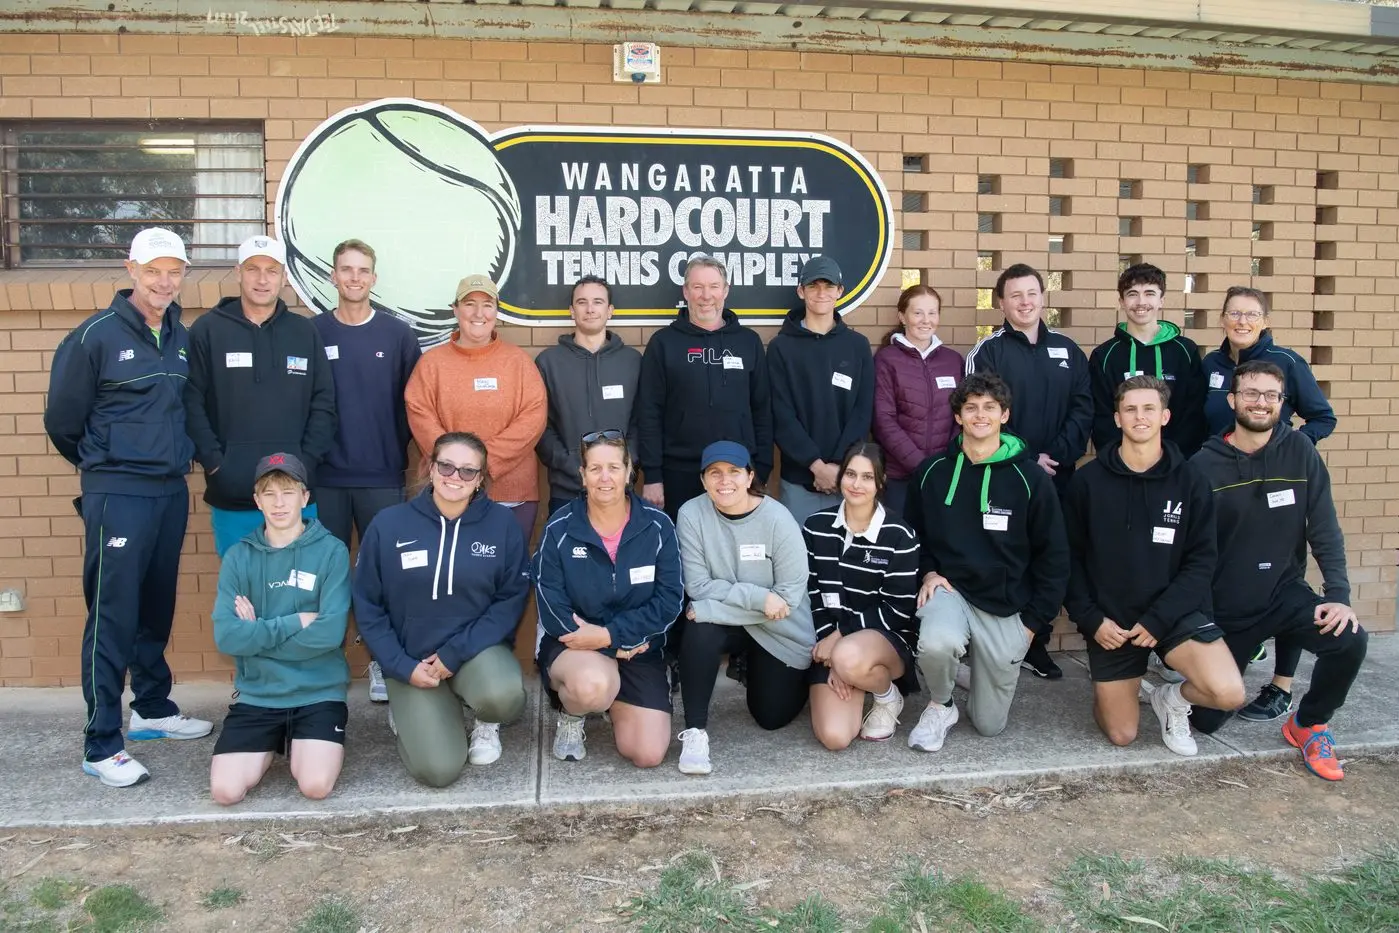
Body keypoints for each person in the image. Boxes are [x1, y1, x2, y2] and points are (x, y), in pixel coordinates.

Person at [44, 227, 213, 788]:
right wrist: (107, 463)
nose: (165, 281)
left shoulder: (179, 336)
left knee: (155, 604)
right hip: (118, 492)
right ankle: (101, 742)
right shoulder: (94, 336)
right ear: (131, 270)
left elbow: (187, 409)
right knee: (113, 613)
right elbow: (63, 422)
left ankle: (153, 709)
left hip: (168, 489)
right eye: (154, 270)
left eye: (175, 271)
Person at [1190, 361, 1367, 781]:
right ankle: (1201, 679)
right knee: (1207, 722)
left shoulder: (1300, 450)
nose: (1261, 402)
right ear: (1232, 400)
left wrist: (1338, 596)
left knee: (1349, 640)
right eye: (1251, 393)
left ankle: (1309, 724)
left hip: (1284, 594)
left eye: (1271, 395)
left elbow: (1324, 527)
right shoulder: (1203, 465)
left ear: (1282, 404)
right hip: (1227, 606)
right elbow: (1189, 550)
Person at [1064, 377, 1245, 757]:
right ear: (1116, 418)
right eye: (1130, 409)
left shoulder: (1192, 481)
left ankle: (1172, 698)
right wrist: (1092, 619)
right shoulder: (1087, 482)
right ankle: (1115, 689)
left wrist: (1160, 619)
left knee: (1228, 693)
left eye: (1149, 409)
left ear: (1165, 416)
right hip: (1112, 623)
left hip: (1174, 613)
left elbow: (1201, 561)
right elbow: (1069, 560)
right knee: (1122, 734)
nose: (1139, 417)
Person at [352, 432, 530, 787]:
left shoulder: (501, 525)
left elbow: (509, 601)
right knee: (439, 771)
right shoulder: (389, 525)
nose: (455, 477)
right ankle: (411, 711)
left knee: (504, 698)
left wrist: (453, 654)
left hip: (473, 654)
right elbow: (368, 605)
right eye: (446, 466)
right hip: (411, 661)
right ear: (430, 468)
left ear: (480, 480)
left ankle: (483, 720)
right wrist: (401, 666)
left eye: (468, 471)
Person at [903, 373, 1069, 753]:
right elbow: (914, 538)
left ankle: (973, 674)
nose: (980, 415)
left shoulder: (1030, 479)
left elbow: (1054, 556)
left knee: (988, 726)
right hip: (951, 590)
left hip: (1007, 603)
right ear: (958, 417)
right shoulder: (931, 473)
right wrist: (928, 572)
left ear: (1004, 415)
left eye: (989, 408)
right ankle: (941, 703)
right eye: (971, 408)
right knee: (936, 642)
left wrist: (1032, 624)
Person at [1201, 286, 1338, 720]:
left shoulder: (1288, 362)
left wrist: (1295, 445)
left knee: (1286, 581)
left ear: (1265, 320)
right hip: (1225, 480)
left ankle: (1281, 686)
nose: (1242, 321)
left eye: (1252, 314)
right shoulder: (1212, 365)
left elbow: (1323, 416)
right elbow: (1194, 419)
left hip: (1280, 487)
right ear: (1222, 318)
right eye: (1235, 313)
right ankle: (1234, 650)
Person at [964, 263, 1089, 680]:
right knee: (1010, 553)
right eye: (1015, 295)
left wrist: (1057, 454)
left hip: (1060, 475)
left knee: (1053, 555)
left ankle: (1037, 641)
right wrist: (1028, 456)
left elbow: (1082, 405)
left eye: (1032, 293)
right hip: (1009, 474)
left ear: (1042, 296)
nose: (1025, 302)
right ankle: (1000, 640)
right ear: (1001, 302)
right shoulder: (989, 351)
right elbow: (980, 414)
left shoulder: (1068, 350)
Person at [310, 238, 421, 705]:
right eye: (346, 270)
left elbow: (412, 406)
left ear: (374, 279)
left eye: (362, 271)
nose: (354, 278)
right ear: (332, 277)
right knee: (324, 577)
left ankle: (381, 661)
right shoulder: (312, 332)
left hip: (382, 476)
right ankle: (326, 664)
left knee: (381, 576)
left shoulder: (397, 336)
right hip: (325, 478)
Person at [533, 430, 683, 766]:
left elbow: (669, 600)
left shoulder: (658, 527)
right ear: (582, 475)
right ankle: (573, 714)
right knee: (592, 686)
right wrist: (608, 644)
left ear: (630, 472)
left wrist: (615, 635)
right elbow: (550, 603)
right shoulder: (560, 528)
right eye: (595, 469)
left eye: (614, 468)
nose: (605, 478)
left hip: (639, 648)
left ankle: (615, 698)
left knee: (648, 754)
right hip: (574, 644)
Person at [209, 454, 351, 804]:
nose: (279, 503)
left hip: (318, 693)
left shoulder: (332, 552)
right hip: (259, 695)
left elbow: (330, 634)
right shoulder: (239, 557)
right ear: (256, 501)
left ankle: (297, 744)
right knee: (225, 792)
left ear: (305, 498)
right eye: (268, 493)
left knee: (315, 786)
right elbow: (227, 637)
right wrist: (292, 622)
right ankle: (271, 743)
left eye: (288, 492)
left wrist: (255, 634)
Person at [185, 234, 336, 557]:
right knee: (241, 594)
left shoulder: (303, 331)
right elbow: (191, 402)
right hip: (233, 493)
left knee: (298, 593)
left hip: (295, 496)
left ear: (284, 277)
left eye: (272, 270)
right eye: (254, 269)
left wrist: (306, 463)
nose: (263, 279)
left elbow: (323, 402)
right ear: (238, 273)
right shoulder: (208, 330)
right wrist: (214, 463)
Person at [674, 441, 815, 775]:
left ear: (750, 476)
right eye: (715, 473)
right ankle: (695, 731)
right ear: (703, 480)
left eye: (734, 472)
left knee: (771, 717)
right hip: (737, 621)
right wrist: (758, 598)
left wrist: (714, 609)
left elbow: (787, 601)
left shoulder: (778, 519)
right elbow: (697, 586)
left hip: (780, 630)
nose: (725, 481)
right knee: (699, 630)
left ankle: (753, 663)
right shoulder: (691, 514)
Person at [404, 275, 547, 544]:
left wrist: (483, 463)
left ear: (497, 311)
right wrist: (458, 469)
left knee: (507, 577)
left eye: (487, 305)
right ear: (455, 310)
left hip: (511, 494)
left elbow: (533, 418)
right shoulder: (431, 364)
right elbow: (420, 413)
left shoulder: (519, 362)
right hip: (447, 490)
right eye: (470, 304)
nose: (478, 313)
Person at [637, 256, 773, 523]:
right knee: (684, 555)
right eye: (697, 287)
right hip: (678, 472)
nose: (706, 295)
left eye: (713, 286)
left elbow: (762, 409)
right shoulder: (663, 343)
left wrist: (762, 469)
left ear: (726, 290)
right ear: (686, 291)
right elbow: (648, 412)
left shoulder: (748, 342)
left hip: (736, 473)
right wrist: (652, 476)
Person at [802, 443, 920, 751]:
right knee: (835, 737)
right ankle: (850, 672)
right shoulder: (816, 528)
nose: (857, 484)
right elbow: (811, 592)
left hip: (884, 642)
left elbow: (898, 610)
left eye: (868, 477)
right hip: (829, 643)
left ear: (881, 483)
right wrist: (828, 643)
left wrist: (839, 641)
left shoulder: (900, 536)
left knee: (849, 656)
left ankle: (886, 695)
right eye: (851, 474)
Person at [766, 257, 874, 524]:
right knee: (799, 560)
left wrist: (838, 466)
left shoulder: (858, 346)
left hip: (847, 478)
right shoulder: (781, 348)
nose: (821, 293)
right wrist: (816, 465)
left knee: (845, 558)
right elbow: (781, 414)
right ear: (801, 291)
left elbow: (862, 412)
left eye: (829, 286)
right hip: (799, 479)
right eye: (813, 286)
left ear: (840, 291)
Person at [535, 276, 642, 519]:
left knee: (619, 556)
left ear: (610, 310)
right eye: (582, 303)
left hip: (618, 488)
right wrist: (571, 465)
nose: (590, 309)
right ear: (572, 311)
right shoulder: (549, 362)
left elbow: (642, 420)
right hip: (566, 489)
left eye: (598, 302)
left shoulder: (632, 361)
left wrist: (625, 465)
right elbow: (540, 426)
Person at [1089, 263, 1207, 458]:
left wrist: (1173, 457)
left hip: (1176, 463)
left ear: (1162, 300)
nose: (1141, 302)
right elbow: (1102, 416)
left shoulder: (1185, 350)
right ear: (1122, 301)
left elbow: (1193, 412)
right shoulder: (1104, 355)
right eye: (1132, 294)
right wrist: (1120, 459)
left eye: (1150, 293)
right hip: (1121, 465)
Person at [873, 284, 963, 517]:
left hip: (945, 474)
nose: (926, 320)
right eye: (918, 312)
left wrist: (945, 462)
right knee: (900, 543)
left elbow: (961, 417)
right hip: (899, 479)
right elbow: (883, 420)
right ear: (902, 316)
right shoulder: (886, 360)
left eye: (932, 313)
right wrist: (922, 466)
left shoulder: (953, 361)